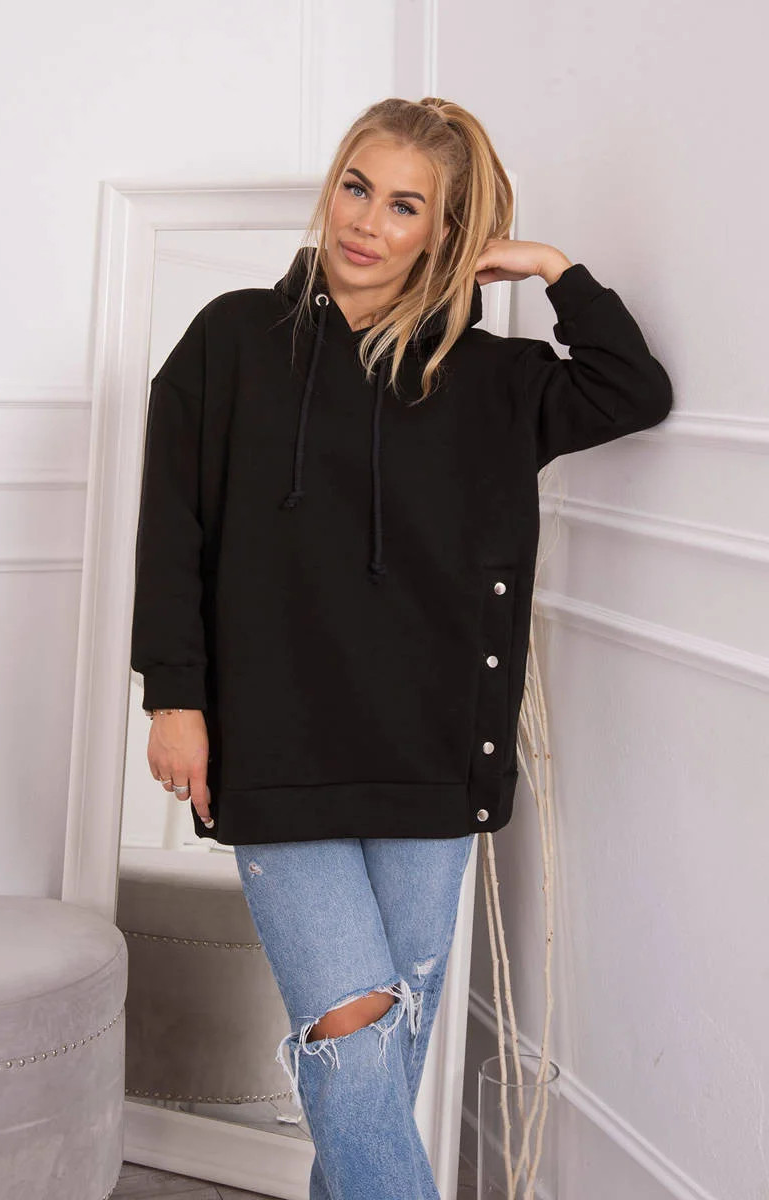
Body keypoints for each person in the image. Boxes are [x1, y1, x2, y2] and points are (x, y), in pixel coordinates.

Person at [130, 97, 673, 1197]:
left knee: (374, 1072)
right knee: (352, 1032)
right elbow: (172, 527)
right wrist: (173, 697)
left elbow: (632, 390)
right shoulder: (230, 339)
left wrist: (552, 268)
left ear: (447, 231)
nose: (366, 222)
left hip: (432, 753)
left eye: (405, 206)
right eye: (356, 187)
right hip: (272, 749)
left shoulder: (488, 379)